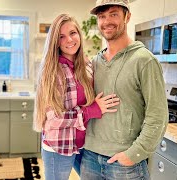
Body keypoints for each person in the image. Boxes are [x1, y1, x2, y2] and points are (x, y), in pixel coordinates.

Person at [80, 0, 169, 179]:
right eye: (102, 16)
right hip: (90, 158)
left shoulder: (144, 61)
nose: (106, 22)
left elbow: (158, 116)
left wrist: (134, 154)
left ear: (127, 16)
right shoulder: (95, 63)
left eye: (114, 14)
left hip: (125, 165)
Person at [33, 13, 120, 180]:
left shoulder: (87, 65)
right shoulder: (52, 72)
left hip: (84, 144)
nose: (69, 40)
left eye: (73, 33)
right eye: (61, 36)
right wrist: (91, 111)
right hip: (59, 146)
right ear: (55, 42)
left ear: (79, 34)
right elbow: (54, 118)